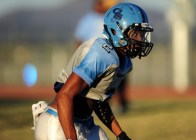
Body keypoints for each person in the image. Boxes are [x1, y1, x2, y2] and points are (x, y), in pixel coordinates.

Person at [32, 3, 154, 140]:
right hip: (58, 122)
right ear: (116, 31)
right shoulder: (101, 54)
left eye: (142, 34)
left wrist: (120, 134)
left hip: (85, 123)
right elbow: (64, 95)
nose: (140, 40)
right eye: (135, 34)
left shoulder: (123, 62)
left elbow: (97, 100)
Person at [75, 0, 129, 114]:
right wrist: (81, 55)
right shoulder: (88, 19)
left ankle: (121, 104)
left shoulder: (111, 18)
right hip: (93, 57)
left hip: (113, 55)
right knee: (94, 84)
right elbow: (79, 39)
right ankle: (92, 105)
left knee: (117, 81)